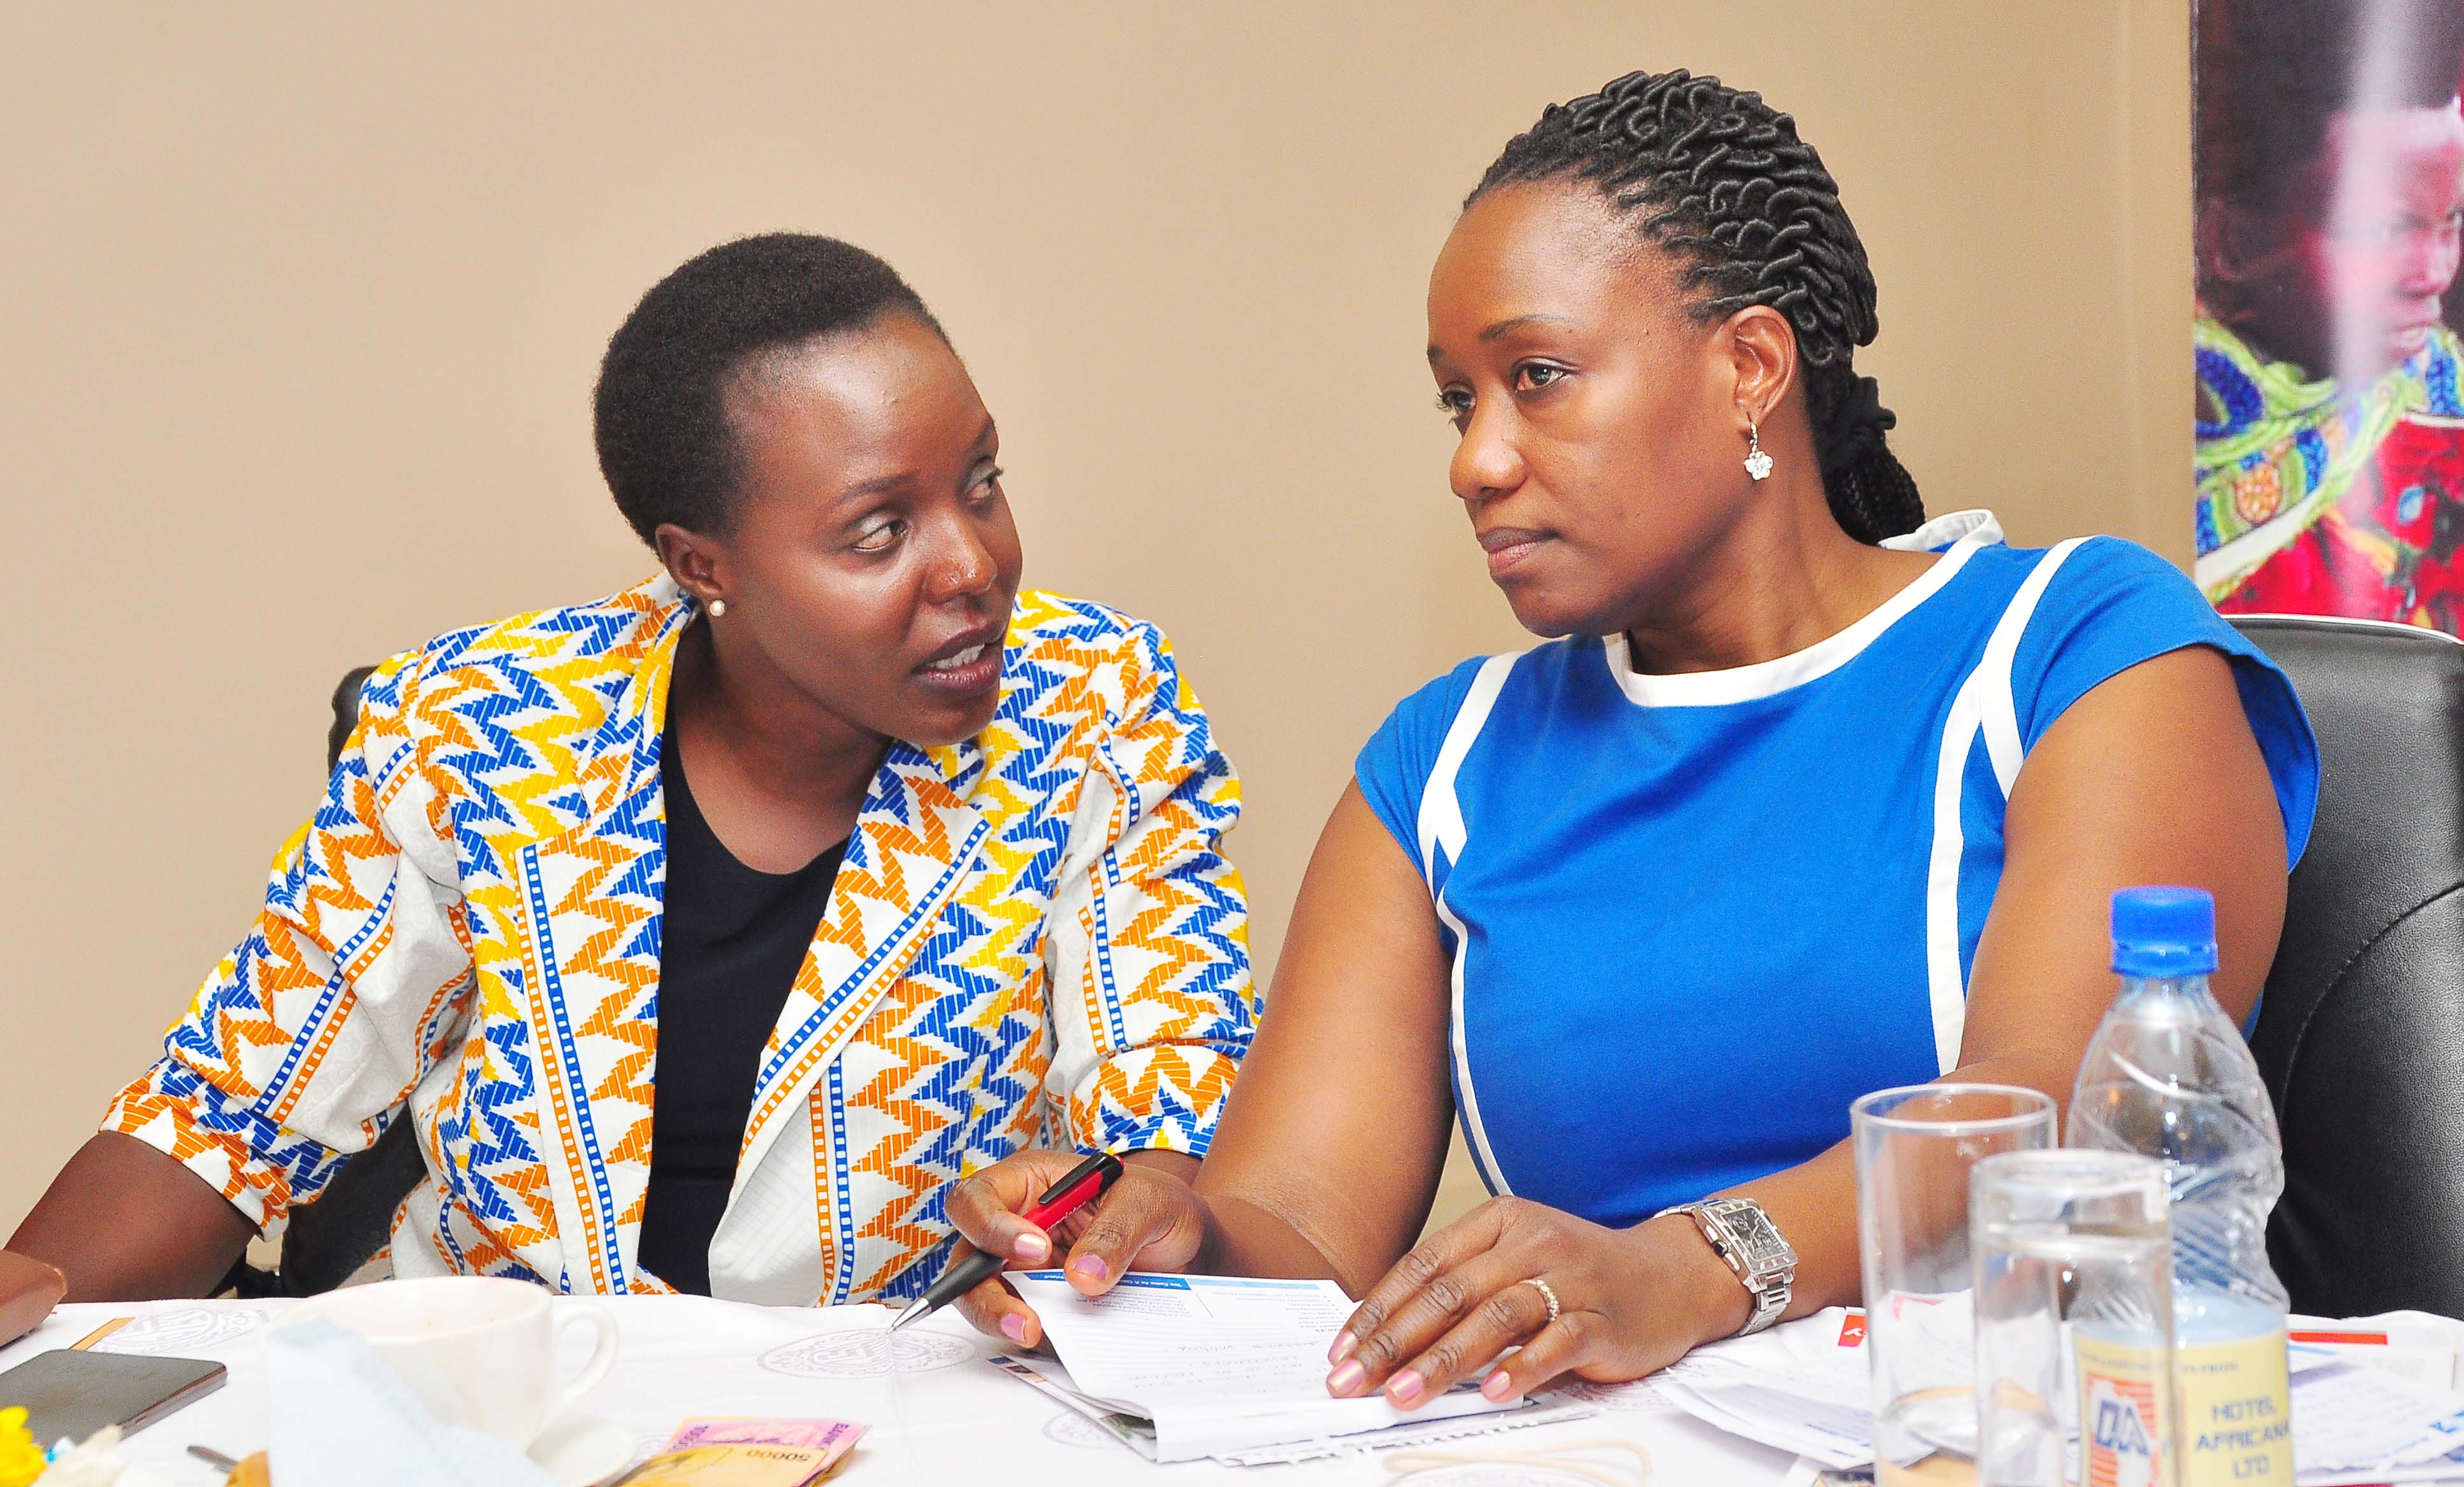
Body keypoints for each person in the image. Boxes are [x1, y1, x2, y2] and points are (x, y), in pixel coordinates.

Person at [943, 69, 2318, 1402]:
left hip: (2028, 1430)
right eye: (1458, 399)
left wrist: (1693, 1265)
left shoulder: (2078, 644)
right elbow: (1298, 1229)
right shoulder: (1446, 764)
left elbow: (2057, 1120)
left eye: (1537, 376)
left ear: (1750, 367)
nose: (1475, 460)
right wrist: (1155, 1241)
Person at [7, 234, 1256, 1305]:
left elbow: (1171, 1117)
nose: (974, 563)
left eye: (981, 481)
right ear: (702, 563)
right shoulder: (481, 724)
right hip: (491, 1416)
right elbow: (227, 1114)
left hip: (907, 1410)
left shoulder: (1094, 706)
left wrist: (1131, 1204)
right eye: (880, 529)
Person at [2194, 0, 2464, 629]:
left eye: (2453, 220)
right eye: (2384, 228)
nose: (2434, 272)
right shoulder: (2166, 419)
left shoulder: (2440, 391)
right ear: (2229, 243)